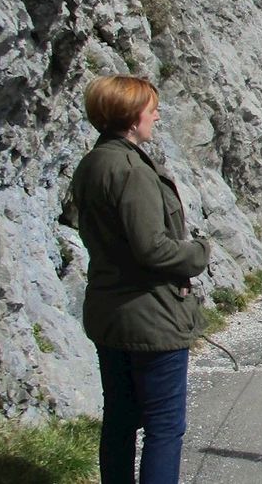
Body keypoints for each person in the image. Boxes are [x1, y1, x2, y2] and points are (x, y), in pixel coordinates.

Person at [69, 75, 209, 484]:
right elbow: (153, 248)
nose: (157, 115)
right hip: (149, 316)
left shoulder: (93, 162)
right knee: (164, 426)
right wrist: (199, 252)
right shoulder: (131, 169)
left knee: (120, 418)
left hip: (108, 310)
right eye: (151, 109)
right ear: (131, 117)